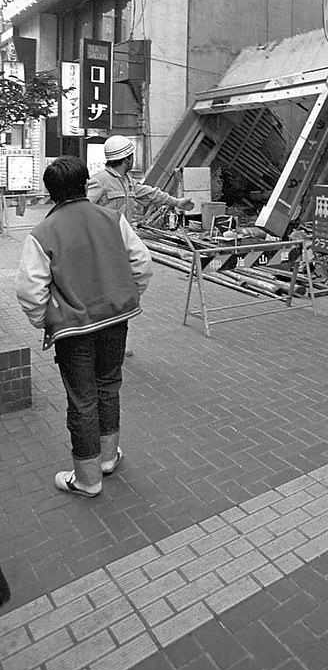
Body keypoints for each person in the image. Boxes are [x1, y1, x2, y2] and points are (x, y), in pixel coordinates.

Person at [15, 156, 153, 497]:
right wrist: (128, 294)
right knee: (108, 385)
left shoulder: (43, 232)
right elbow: (142, 264)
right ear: (83, 184)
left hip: (74, 330)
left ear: (51, 191)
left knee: (82, 399)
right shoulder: (112, 219)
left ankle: (88, 478)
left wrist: (46, 320)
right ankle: (108, 458)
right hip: (115, 322)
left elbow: (30, 292)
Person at [87, 135, 194, 225]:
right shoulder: (99, 181)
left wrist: (177, 202)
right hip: (104, 238)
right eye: (132, 156)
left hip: (123, 236)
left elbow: (152, 193)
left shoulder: (128, 182)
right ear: (127, 159)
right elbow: (83, 210)